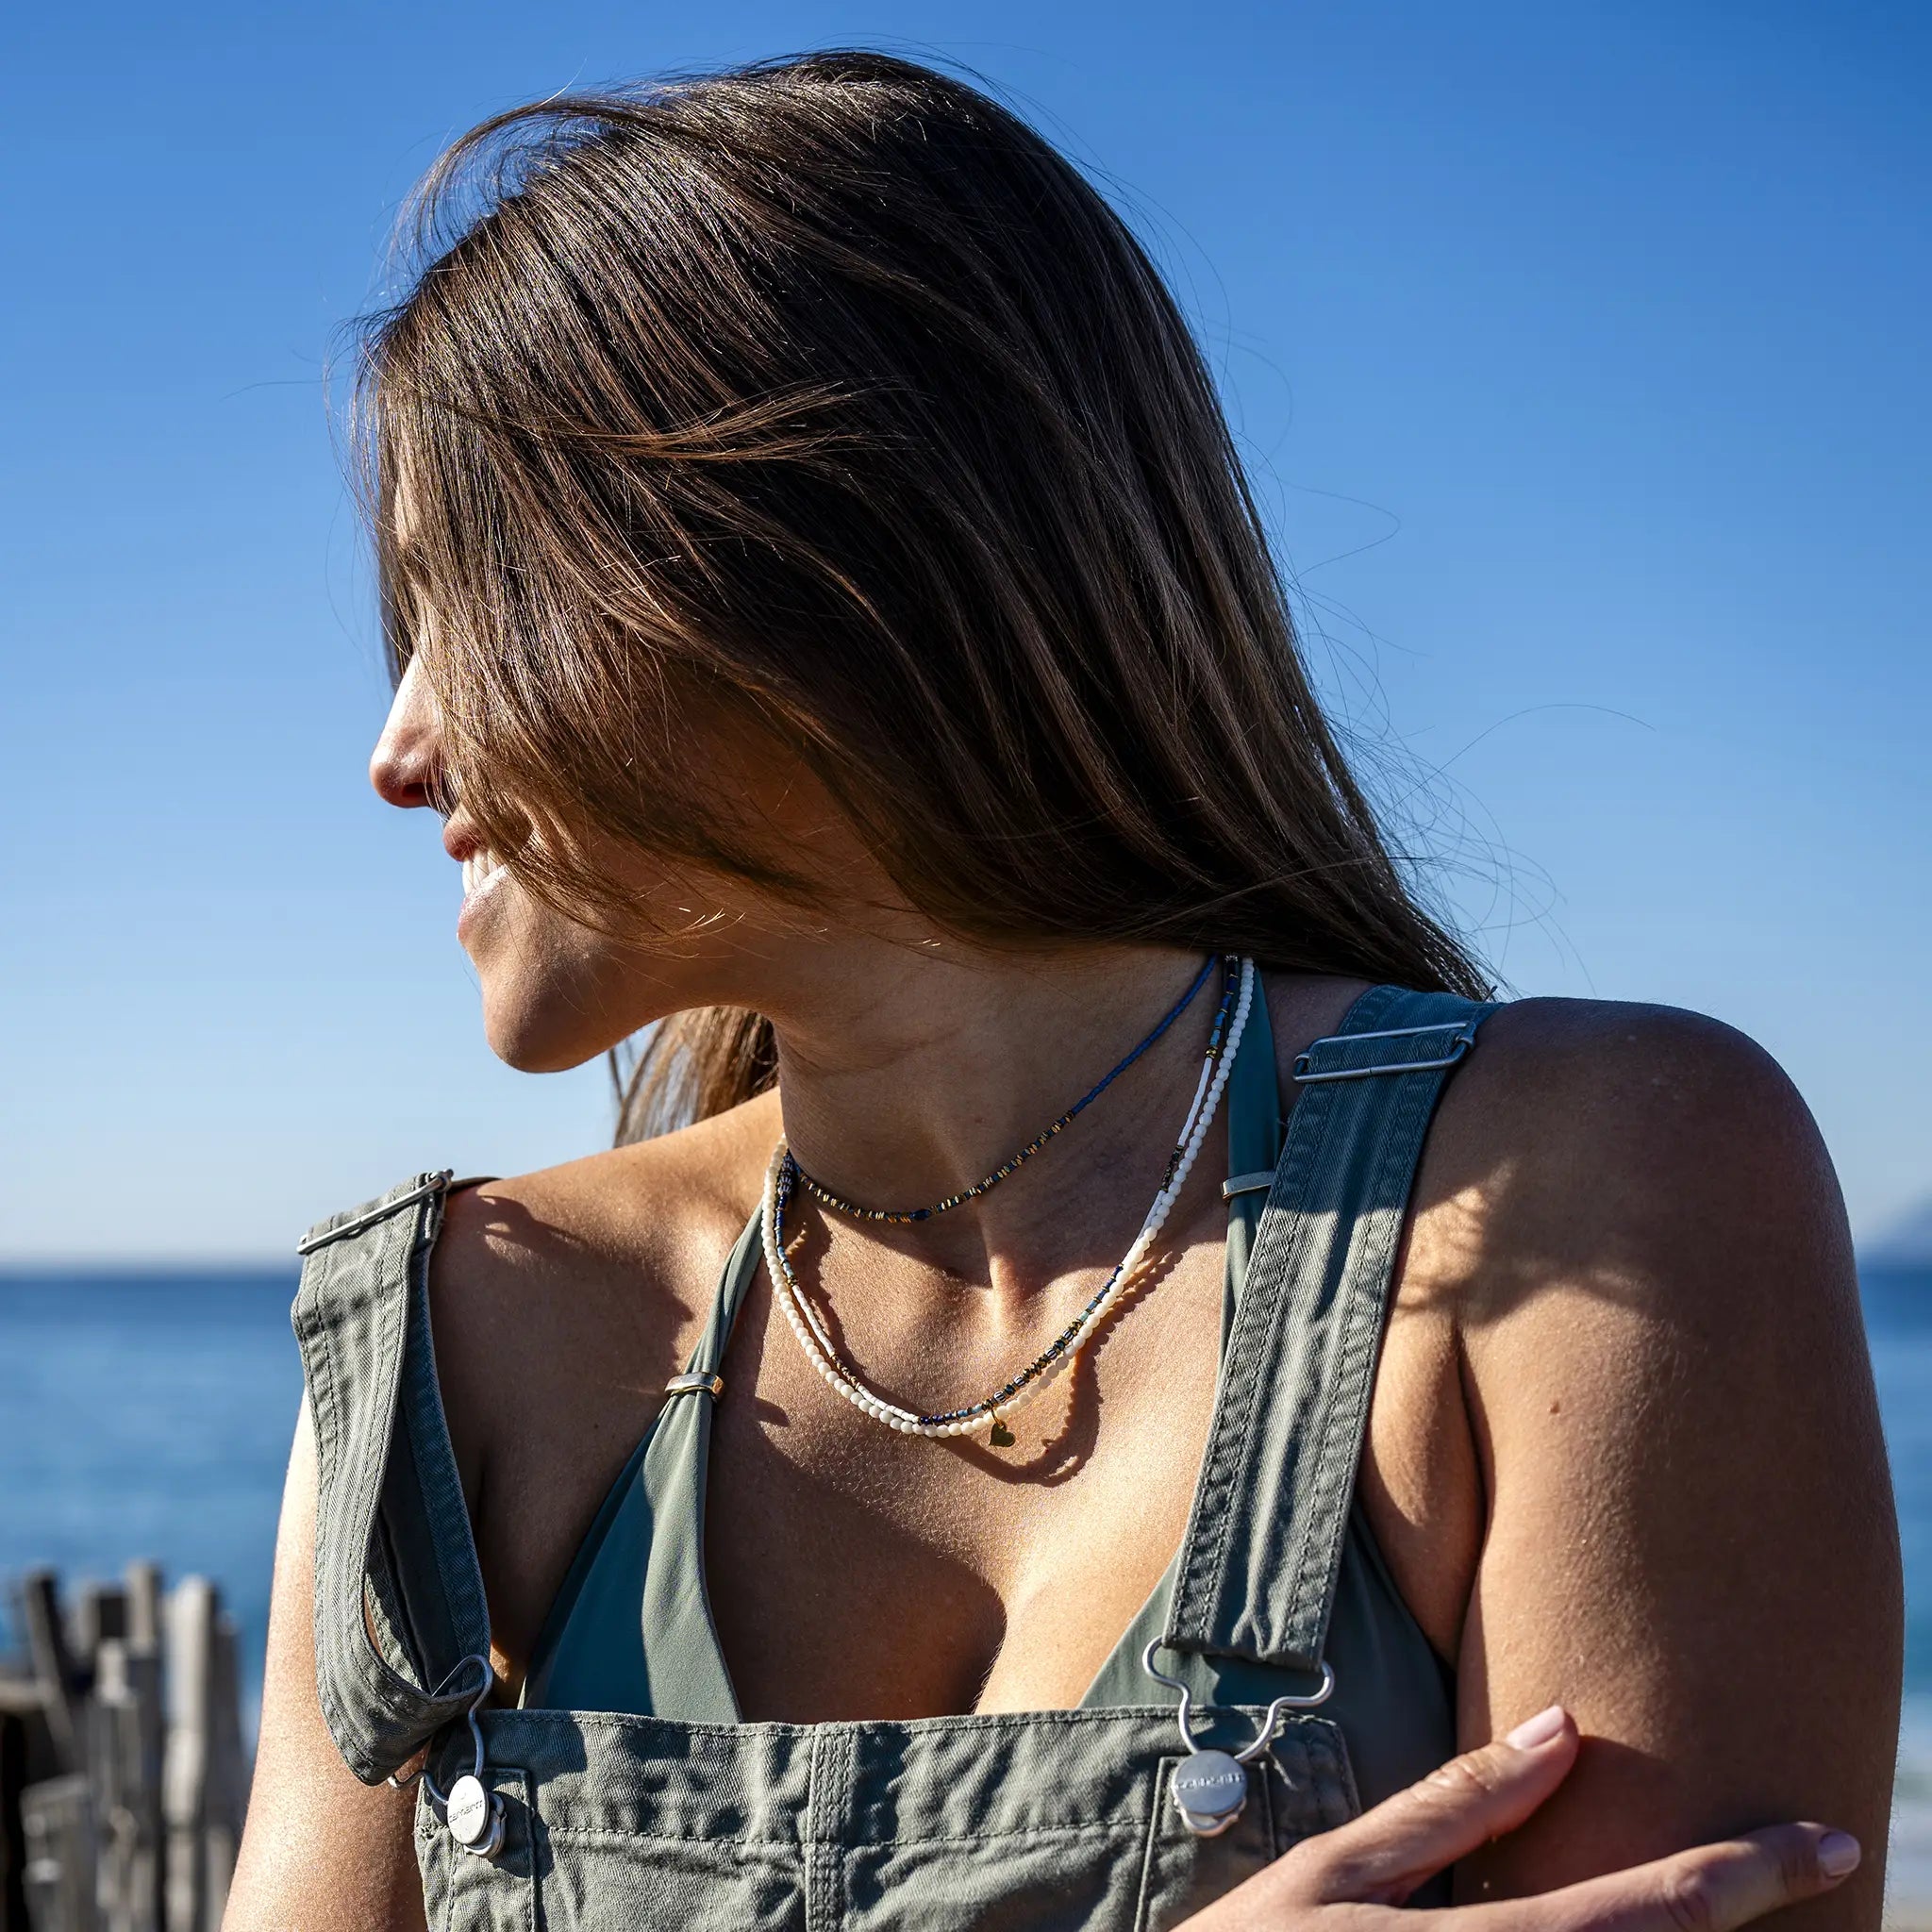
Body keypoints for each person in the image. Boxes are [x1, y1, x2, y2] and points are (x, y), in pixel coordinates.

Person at [224, 49, 1900, 1932]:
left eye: (463, 606)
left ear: (817, 566)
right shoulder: (457, 1345)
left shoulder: (1595, 1194)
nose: (397, 747)